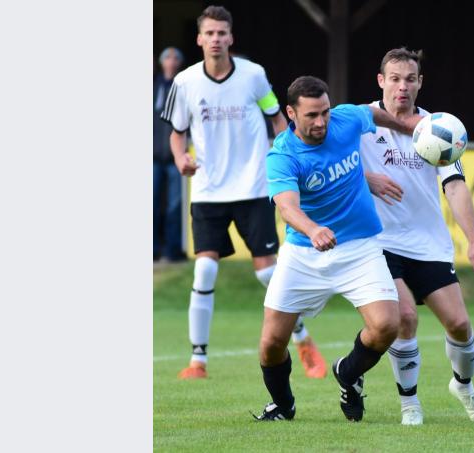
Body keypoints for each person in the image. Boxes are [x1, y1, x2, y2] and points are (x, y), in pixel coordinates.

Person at [160, 5, 326, 381]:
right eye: (210, 33)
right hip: (207, 191)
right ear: (199, 38)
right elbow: (176, 131)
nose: (216, 39)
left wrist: (289, 155)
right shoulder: (184, 83)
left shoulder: (253, 75)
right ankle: (198, 361)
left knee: (268, 276)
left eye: (222, 33)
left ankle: (301, 338)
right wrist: (179, 157)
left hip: (253, 186)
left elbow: (278, 118)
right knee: (203, 270)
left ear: (231, 37)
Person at [253, 75, 421, 422]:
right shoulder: (282, 155)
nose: (322, 122)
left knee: (388, 325)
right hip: (304, 254)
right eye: (312, 115)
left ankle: (347, 372)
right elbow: (287, 207)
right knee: (271, 346)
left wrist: (408, 127)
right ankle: (284, 406)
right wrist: (313, 230)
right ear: (290, 113)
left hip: (360, 247)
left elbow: (373, 114)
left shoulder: (345, 119)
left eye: (325, 112)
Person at [359, 48, 474, 425]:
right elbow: (336, 166)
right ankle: (410, 404)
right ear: (381, 81)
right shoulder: (361, 122)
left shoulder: (438, 129)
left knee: (460, 325)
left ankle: (464, 387)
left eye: (410, 79)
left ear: (420, 83)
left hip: (429, 244)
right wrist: (367, 179)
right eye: (395, 78)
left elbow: (455, 187)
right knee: (404, 316)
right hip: (380, 242)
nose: (403, 86)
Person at [153, 47, 186, 262]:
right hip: (152, 156)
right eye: (168, 57)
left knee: (176, 204)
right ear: (161, 61)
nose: (171, 61)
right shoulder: (152, 86)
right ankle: (153, 250)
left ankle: (173, 250)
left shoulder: (184, 87)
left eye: (176, 57)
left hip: (176, 156)